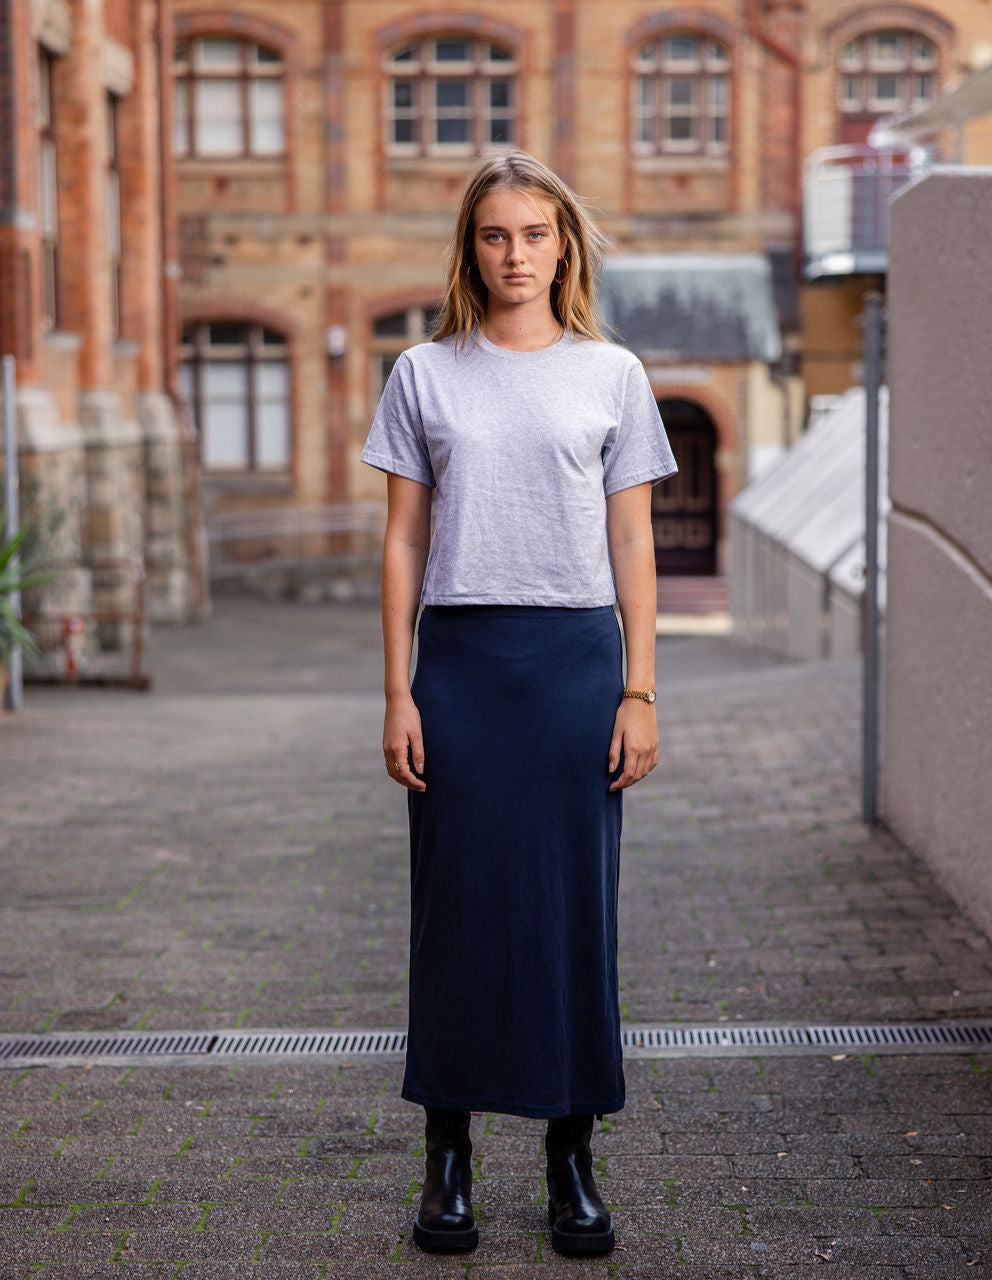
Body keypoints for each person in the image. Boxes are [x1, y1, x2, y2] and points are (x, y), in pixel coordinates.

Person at [360, 149, 677, 1257]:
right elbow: (403, 537)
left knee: (571, 910)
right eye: (495, 235)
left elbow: (631, 535)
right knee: (455, 907)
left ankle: (570, 1157)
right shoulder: (422, 373)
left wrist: (639, 685)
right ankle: (445, 1157)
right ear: (470, 246)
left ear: (564, 245)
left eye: (534, 234)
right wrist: (397, 685)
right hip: (459, 659)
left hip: (577, 660)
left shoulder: (612, 373)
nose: (515, 255)